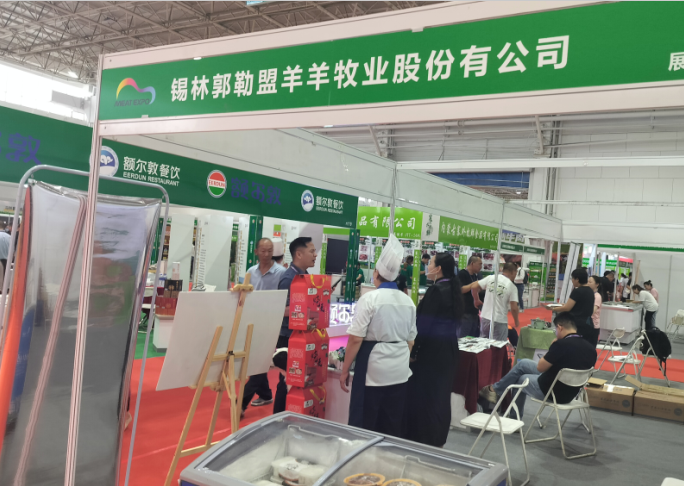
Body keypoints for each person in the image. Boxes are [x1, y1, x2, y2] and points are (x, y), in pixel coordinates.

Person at [341, 234, 417, 437]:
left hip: (373, 367)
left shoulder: (370, 298)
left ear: (376, 273)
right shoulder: (408, 301)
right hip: (400, 369)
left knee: (366, 420)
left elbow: (356, 339)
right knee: (392, 420)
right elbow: (411, 341)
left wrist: (344, 370)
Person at [479, 312, 597, 418]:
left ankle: (514, 417)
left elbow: (541, 367)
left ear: (560, 328)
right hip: (572, 393)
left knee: (521, 379)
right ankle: (494, 390)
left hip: (552, 391)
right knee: (523, 363)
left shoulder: (561, 345)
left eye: (555, 330)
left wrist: (552, 347)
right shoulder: (591, 349)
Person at [405, 253, 463, 447]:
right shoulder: (452, 288)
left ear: (438, 269)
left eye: (430, 263)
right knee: (441, 395)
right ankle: (437, 437)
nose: (427, 266)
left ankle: (426, 437)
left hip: (433, 351)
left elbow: (424, 325)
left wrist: (414, 352)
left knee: (428, 395)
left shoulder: (437, 290)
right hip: (449, 349)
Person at [241, 238, 286, 415]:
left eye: (269, 251)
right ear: (256, 252)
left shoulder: (281, 273)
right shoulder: (251, 271)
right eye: (263, 250)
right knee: (257, 360)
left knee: (260, 364)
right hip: (254, 323)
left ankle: (241, 403)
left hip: (274, 324)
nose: (266, 254)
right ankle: (266, 394)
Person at [274, 237, 318, 413]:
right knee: (287, 380)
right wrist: (305, 308)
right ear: (299, 254)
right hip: (289, 338)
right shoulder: (288, 279)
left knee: (298, 381)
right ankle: (278, 417)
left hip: (302, 336)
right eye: (312, 251)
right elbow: (280, 310)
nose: (315, 255)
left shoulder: (305, 276)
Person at [466, 262, 520, 341]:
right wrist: (516, 321)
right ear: (512, 272)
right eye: (515, 273)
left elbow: (474, 286)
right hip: (499, 320)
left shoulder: (491, 278)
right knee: (498, 345)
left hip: (485, 318)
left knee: (483, 343)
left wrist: (476, 300)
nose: (515, 276)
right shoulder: (512, 286)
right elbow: (514, 308)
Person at [550, 268, 595, 343]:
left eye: (572, 278)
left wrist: (553, 308)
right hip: (588, 323)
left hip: (576, 324)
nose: (572, 280)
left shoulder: (577, 291)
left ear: (577, 279)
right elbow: (580, 305)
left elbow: (567, 308)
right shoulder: (590, 291)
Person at [457, 256, 483, 338]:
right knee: (463, 336)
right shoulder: (462, 274)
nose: (481, 267)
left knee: (473, 336)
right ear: (472, 263)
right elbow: (460, 289)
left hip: (474, 311)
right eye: (479, 264)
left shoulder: (476, 276)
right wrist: (473, 285)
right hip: (465, 311)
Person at [587, 275, 607, 347]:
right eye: (587, 281)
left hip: (593, 325)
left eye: (590, 282)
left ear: (597, 284)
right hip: (587, 324)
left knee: (591, 346)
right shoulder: (588, 294)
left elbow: (592, 311)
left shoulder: (597, 296)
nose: (588, 283)